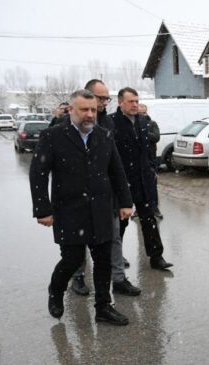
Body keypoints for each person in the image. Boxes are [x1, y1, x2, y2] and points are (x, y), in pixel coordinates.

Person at [29, 89, 134, 325]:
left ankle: (103, 307)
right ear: (71, 110)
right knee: (72, 260)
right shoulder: (52, 136)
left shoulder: (104, 135)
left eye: (93, 110)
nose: (89, 115)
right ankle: (56, 289)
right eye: (84, 110)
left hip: (100, 209)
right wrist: (42, 209)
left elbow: (116, 171)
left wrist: (126, 202)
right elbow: (38, 173)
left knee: (103, 260)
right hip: (69, 211)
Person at [67, 79, 140, 297]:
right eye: (100, 98)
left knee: (114, 237)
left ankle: (118, 279)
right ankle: (78, 277)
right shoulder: (66, 125)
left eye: (106, 98)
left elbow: (115, 163)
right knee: (79, 239)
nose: (103, 103)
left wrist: (123, 197)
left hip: (107, 194)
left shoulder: (108, 123)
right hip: (78, 196)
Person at [110, 87, 173, 271]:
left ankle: (156, 257)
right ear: (120, 103)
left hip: (144, 180)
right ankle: (116, 256)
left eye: (137, 101)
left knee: (149, 220)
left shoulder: (143, 121)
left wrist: (152, 168)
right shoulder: (112, 123)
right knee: (120, 223)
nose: (135, 105)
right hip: (123, 182)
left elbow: (148, 150)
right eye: (131, 101)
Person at [137, 103, 163, 218]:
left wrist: (144, 133)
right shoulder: (133, 124)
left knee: (152, 184)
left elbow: (156, 137)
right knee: (138, 185)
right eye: (139, 113)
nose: (142, 115)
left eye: (143, 112)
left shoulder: (152, 124)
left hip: (150, 158)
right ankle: (139, 209)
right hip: (138, 159)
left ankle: (155, 208)